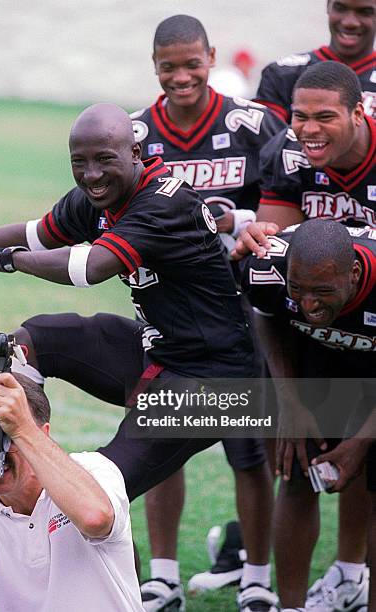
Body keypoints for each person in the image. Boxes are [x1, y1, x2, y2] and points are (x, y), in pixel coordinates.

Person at [0, 103, 266, 611]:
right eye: (80, 162)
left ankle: (14, 504)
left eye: (104, 161)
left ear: (136, 153)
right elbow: (35, 234)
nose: (91, 175)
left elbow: (90, 266)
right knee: (37, 338)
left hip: (218, 384)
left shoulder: (164, 201)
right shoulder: (104, 193)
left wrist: (4, 263)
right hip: (159, 349)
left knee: (92, 499)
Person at [129, 14, 286, 610]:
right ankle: (163, 575)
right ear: (155, 67)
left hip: (245, 307)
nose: (181, 76)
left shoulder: (253, 124)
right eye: (168, 66)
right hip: (172, 310)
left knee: (249, 444)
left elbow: (286, 203)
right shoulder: (138, 133)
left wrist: (236, 224)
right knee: (166, 435)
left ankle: (256, 576)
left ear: (210, 56)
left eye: (192, 63)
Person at [233, 61, 375, 610]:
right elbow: (277, 277)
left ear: (359, 112)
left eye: (324, 117)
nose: (308, 129)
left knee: (366, 459)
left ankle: (350, 574)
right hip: (313, 333)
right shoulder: (288, 155)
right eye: (298, 117)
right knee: (297, 467)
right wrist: (289, 400)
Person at [240, 219, 376, 612]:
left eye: (322, 292)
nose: (309, 304)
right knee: (298, 473)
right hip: (316, 362)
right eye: (297, 290)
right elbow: (266, 314)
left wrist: (362, 440)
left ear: (353, 274)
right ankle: (292, 607)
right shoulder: (269, 266)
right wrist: (291, 401)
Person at [0, 371, 143, 612]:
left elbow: (95, 519)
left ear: (40, 434)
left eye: (4, 432)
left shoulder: (93, 468)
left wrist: (22, 431)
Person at [255, 0, 375, 121]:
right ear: (328, 6)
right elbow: (266, 136)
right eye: (340, 8)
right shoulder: (282, 74)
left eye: (364, 12)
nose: (349, 22)